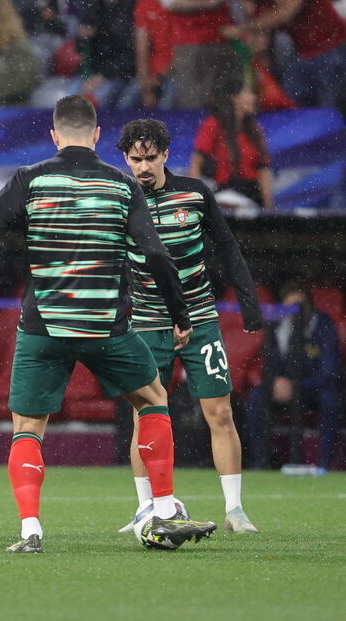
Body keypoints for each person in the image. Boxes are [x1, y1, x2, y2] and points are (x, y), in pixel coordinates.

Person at [0, 95, 218, 553]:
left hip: (44, 326)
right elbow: (155, 252)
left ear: (54, 136)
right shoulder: (121, 184)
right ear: (97, 136)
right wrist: (179, 312)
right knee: (153, 399)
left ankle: (31, 530)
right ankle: (162, 507)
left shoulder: (31, 178)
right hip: (106, 326)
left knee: (28, 427)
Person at [116, 118, 263, 534]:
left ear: (165, 154)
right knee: (145, 415)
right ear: (125, 159)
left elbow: (229, 249)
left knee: (219, 412)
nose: (143, 167)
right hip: (146, 323)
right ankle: (146, 508)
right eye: (135, 159)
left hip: (199, 320)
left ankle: (234, 510)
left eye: (150, 158)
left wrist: (249, 307)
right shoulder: (121, 199)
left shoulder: (195, 194)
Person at [245, 284, 343, 471]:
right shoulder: (276, 326)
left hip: (313, 388)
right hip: (284, 388)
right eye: (290, 307)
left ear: (310, 306)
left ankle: (325, 465)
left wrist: (298, 385)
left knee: (331, 399)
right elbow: (269, 364)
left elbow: (330, 371)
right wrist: (275, 383)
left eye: (301, 306)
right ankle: (260, 463)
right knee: (255, 399)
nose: (296, 313)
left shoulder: (323, 325)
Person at [189, 73, 273, 208]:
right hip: (226, 193)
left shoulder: (255, 130)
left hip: (252, 195)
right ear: (234, 98)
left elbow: (263, 171)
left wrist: (268, 208)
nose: (253, 98)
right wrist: (197, 203)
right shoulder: (213, 125)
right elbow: (196, 165)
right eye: (248, 93)